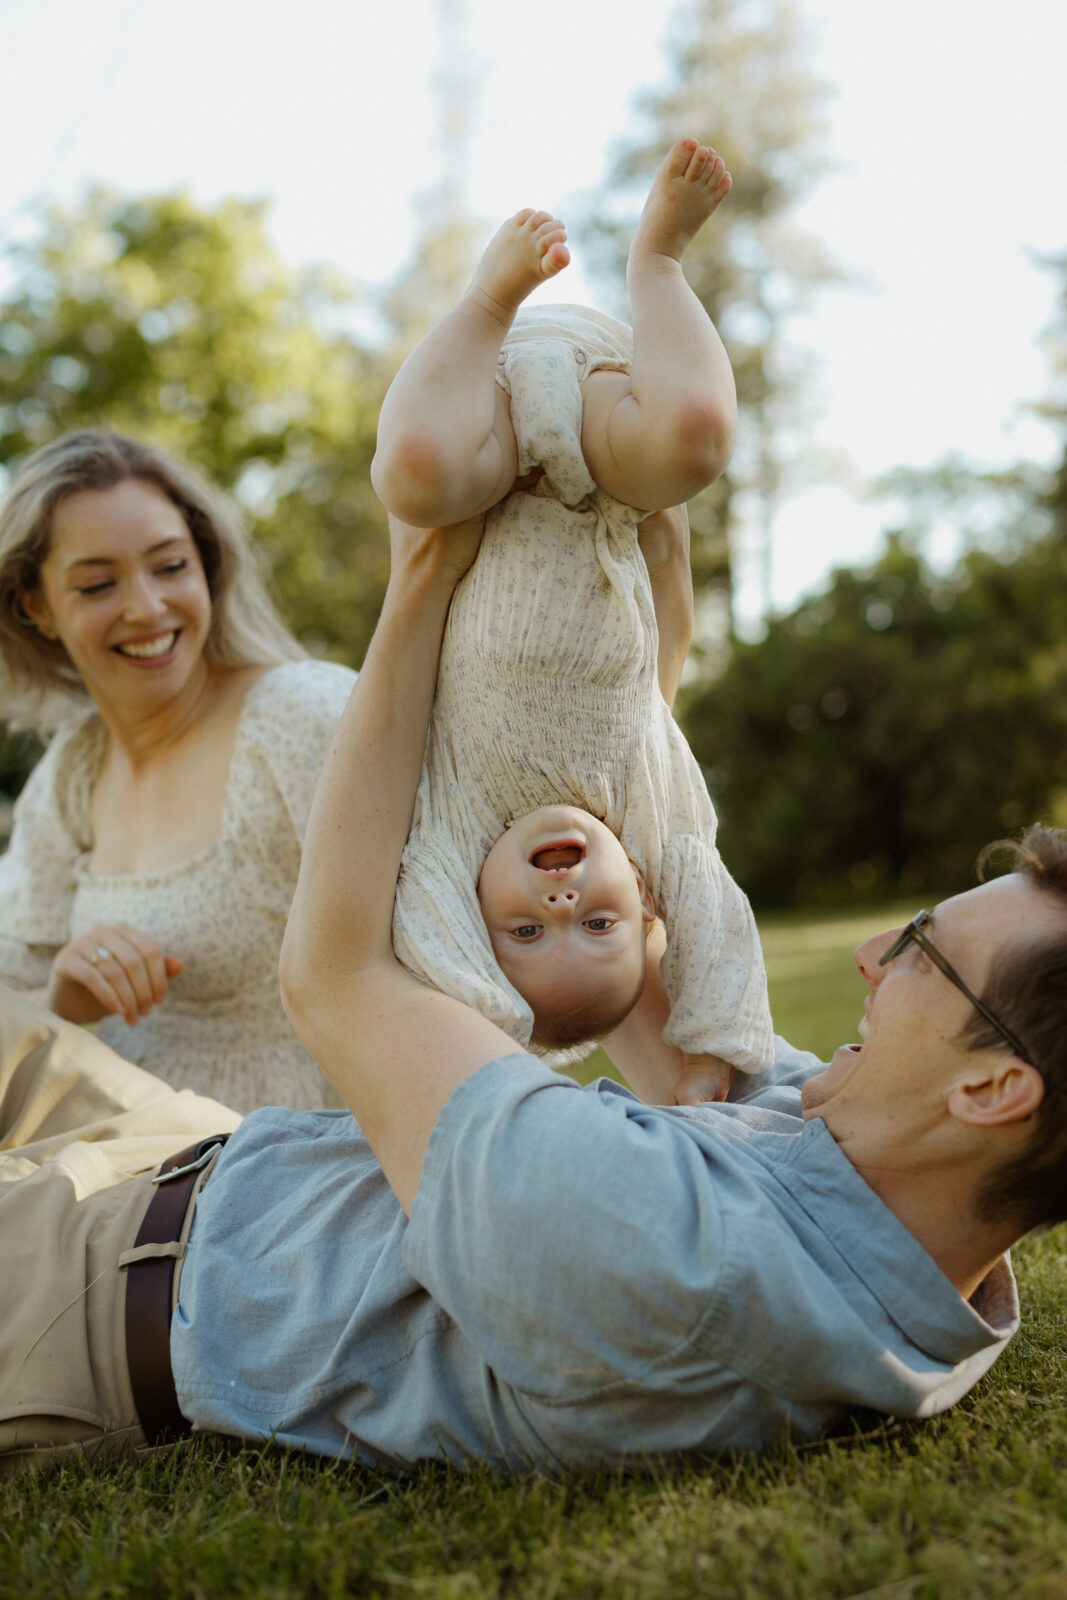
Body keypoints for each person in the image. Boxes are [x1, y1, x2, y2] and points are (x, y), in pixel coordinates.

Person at [3, 519, 1064, 1476]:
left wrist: (421, 567)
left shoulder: (672, 1258)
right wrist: (644, 560)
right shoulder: (880, 1193)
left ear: (990, 1087)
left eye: (922, 950)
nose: (873, 951)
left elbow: (335, 973)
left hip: (96, 1286)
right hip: (208, 1149)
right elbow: (649, 996)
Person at [371, 138, 770, 1097]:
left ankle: (480, 301)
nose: (561, 899)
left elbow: (435, 953)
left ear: (472, 909)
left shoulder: (453, 825)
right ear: (641, 896)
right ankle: (657, 263)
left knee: (414, 471)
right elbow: (667, 642)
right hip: (601, 446)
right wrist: (700, 1081)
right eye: (596, 924)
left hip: (489, 426)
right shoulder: (649, 807)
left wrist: (489, 1022)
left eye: (524, 930)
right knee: (697, 438)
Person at [0, 429, 355, 1111]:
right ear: (34, 606)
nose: (146, 607)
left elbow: (443, 958)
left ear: (206, 565)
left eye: (169, 567)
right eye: (99, 583)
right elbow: (11, 984)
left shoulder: (299, 715)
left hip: (313, 1164)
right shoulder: (74, 770)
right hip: (141, 1165)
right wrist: (59, 1000)